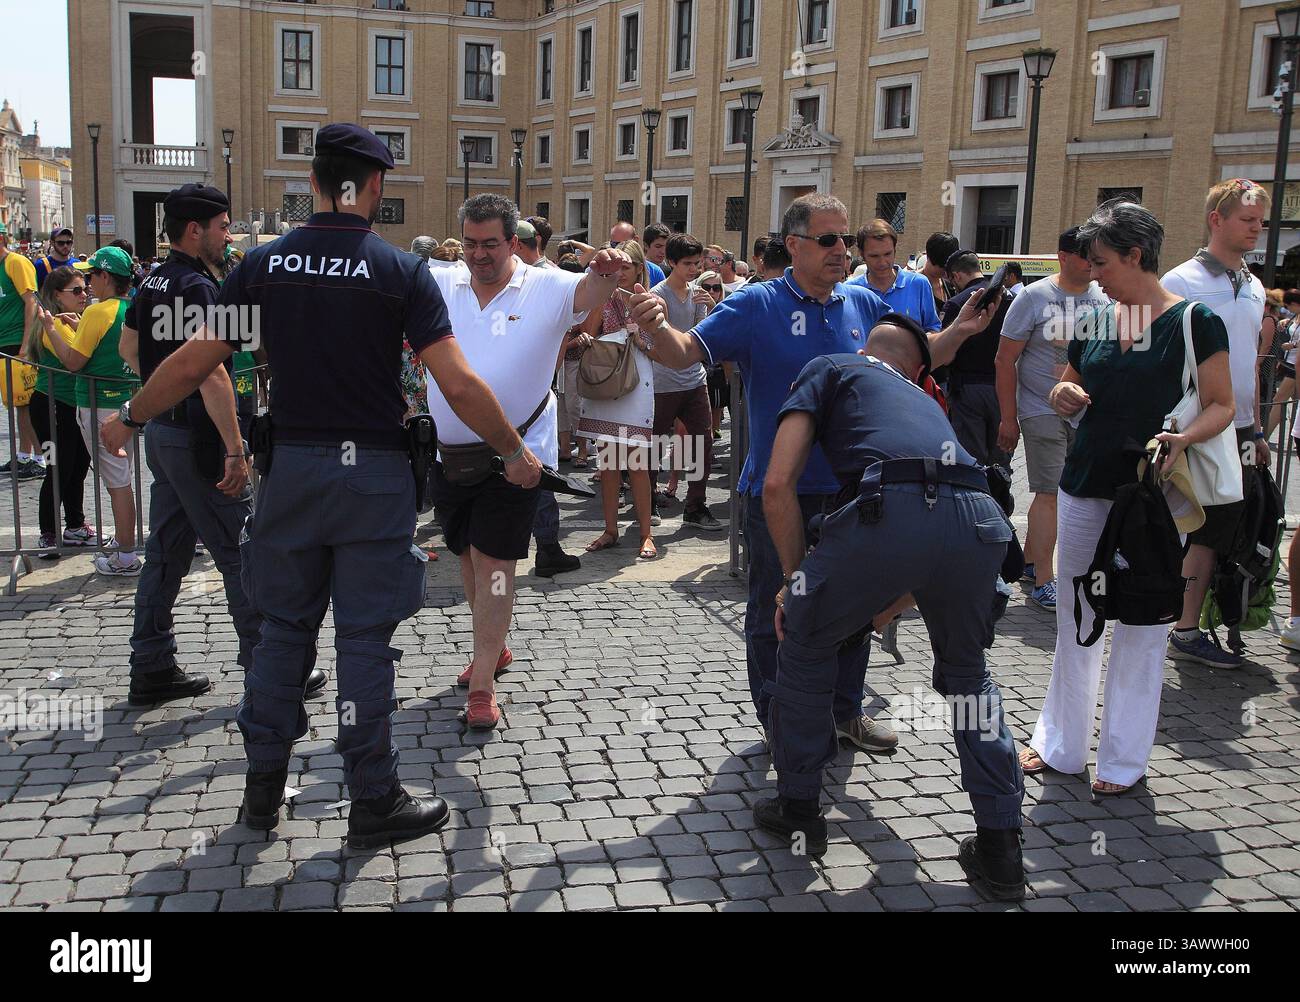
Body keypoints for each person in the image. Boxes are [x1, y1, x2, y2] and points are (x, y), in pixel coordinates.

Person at [101, 124, 541, 849]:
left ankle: (261, 790)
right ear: (374, 187)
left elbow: (190, 362)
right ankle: (373, 796)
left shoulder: (263, 266)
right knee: (365, 640)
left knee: (283, 632)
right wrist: (515, 451)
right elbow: (457, 383)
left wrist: (129, 417)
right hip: (371, 476)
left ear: (314, 184)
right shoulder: (399, 271)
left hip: (292, 474)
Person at [628, 193, 1002, 749]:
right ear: (795, 244)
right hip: (778, 493)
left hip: (857, 494)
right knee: (774, 609)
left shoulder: (862, 304)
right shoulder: (756, 304)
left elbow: (921, 357)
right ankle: (782, 723)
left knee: (854, 609)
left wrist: (964, 331)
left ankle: (845, 712)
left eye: (845, 241)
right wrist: (654, 327)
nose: (840, 252)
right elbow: (684, 353)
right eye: (828, 241)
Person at [759, 318, 1026, 898]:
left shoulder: (831, 366)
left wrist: (794, 584)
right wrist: (873, 613)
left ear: (866, 349)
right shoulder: (927, 406)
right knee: (968, 676)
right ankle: (1002, 849)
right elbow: (932, 541)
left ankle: (800, 807)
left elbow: (777, 484)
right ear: (918, 371)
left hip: (890, 510)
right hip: (983, 521)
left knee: (804, 644)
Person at [1021, 200, 1234, 796]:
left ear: (1136, 257)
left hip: (1152, 493)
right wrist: (1065, 393)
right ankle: (1060, 744)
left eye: (1102, 262)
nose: (1093, 273)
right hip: (1086, 481)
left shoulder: (1194, 322)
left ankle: (1122, 760)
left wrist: (1183, 437)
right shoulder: (1093, 319)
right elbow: (1071, 378)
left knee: (1142, 623)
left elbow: (1223, 403)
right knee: (1076, 615)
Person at [426, 193, 625, 730]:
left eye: (490, 244)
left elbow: (590, 293)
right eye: (469, 243)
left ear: (514, 242)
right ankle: (493, 646)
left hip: (517, 458)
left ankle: (484, 681)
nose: (478, 254)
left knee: (494, 563)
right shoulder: (441, 280)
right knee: (467, 555)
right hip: (453, 458)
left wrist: (607, 271)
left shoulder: (548, 284)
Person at [104, 185, 269, 703]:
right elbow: (213, 373)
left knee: (166, 553)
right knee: (240, 551)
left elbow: (129, 348)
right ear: (194, 230)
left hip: (164, 434)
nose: (228, 235)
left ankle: (150, 663)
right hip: (199, 437)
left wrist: (158, 391)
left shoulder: (150, 278)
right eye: (222, 226)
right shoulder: (197, 287)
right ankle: (267, 669)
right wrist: (235, 448)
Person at [1162, 179, 1271, 670]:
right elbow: (1160, 360)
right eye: (1248, 220)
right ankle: (1174, 624)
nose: (1257, 230)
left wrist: (1258, 430)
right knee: (1182, 524)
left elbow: (1250, 363)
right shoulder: (1181, 282)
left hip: (1239, 430)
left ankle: (1193, 622)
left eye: (1260, 222)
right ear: (1216, 220)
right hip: (1193, 426)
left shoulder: (1254, 284)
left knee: (1221, 529)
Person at [995, 227, 1111, 611]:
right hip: (1041, 407)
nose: (1090, 263)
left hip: (1087, 411)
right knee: (1050, 492)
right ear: (1062, 256)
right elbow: (1004, 359)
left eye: (1095, 255)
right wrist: (1009, 418)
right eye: (1084, 255)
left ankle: (1030, 563)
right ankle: (1045, 579)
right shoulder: (1034, 296)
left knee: (1068, 492)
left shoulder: (1102, 296)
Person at [37, 248, 141, 575]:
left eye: (92, 276)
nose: (89, 284)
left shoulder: (100, 313)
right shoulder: (132, 308)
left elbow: (73, 361)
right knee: (122, 477)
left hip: (99, 405)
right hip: (126, 401)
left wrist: (50, 327)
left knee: (117, 482)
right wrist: (80, 323)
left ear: (106, 277)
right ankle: (124, 542)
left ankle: (125, 554)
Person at [578, 240, 657, 560]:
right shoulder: (604, 295)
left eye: (627, 267)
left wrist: (638, 334)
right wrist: (587, 333)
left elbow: (660, 348)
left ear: (640, 268)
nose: (621, 273)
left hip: (637, 381)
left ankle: (646, 534)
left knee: (637, 463)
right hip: (607, 381)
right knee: (609, 463)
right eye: (617, 267)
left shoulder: (650, 300)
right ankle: (610, 530)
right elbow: (587, 331)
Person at [648, 233, 722, 531]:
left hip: (694, 380)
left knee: (703, 443)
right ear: (671, 263)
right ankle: (649, 499)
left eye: (696, 263)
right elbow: (649, 339)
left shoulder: (697, 294)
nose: (693, 269)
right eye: (688, 264)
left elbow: (703, 337)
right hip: (663, 382)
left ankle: (695, 506)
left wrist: (714, 306)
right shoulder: (658, 294)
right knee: (655, 443)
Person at [24, 266, 94, 557]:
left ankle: (75, 525)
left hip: (73, 405)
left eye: (85, 288)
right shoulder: (50, 326)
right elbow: (74, 358)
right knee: (57, 468)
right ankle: (48, 532)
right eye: (76, 290)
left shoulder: (75, 320)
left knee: (78, 466)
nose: (84, 294)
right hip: (50, 405)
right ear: (56, 296)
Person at [941, 250, 1017, 466]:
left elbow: (946, 354)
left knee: (970, 460)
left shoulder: (958, 303)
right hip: (1003, 388)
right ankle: (1000, 497)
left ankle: (975, 499)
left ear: (956, 276)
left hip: (967, 390)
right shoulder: (1009, 298)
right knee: (1001, 461)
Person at [847, 218, 942, 333]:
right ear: (862, 255)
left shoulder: (918, 284)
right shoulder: (850, 290)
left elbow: (933, 328)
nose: (883, 262)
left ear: (895, 251)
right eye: (874, 256)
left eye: (887, 254)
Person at [0, 221, 42, 480]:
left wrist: (26, 344)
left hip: (18, 342)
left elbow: (32, 301)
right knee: (18, 404)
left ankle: (40, 458)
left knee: (28, 403)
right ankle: (23, 456)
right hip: (5, 343)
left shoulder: (15, 263)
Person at [698, 271, 731, 439]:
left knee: (717, 405)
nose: (711, 292)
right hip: (695, 368)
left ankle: (713, 435)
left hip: (716, 367)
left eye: (716, 288)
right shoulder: (692, 306)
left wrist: (713, 307)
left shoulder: (725, 308)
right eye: (706, 287)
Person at [1264, 288, 1300, 437]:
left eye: (1287, 306)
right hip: (1289, 362)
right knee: (1294, 401)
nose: (1286, 309)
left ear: (1294, 304)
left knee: (1279, 400)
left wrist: (1294, 345)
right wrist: (1286, 322)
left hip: (1295, 365)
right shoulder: (1295, 316)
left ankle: (1264, 436)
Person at [920, 231, 960, 317]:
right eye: (942, 267)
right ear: (929, 257)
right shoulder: (912, 284)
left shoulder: (951, 287)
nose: (946, 271)